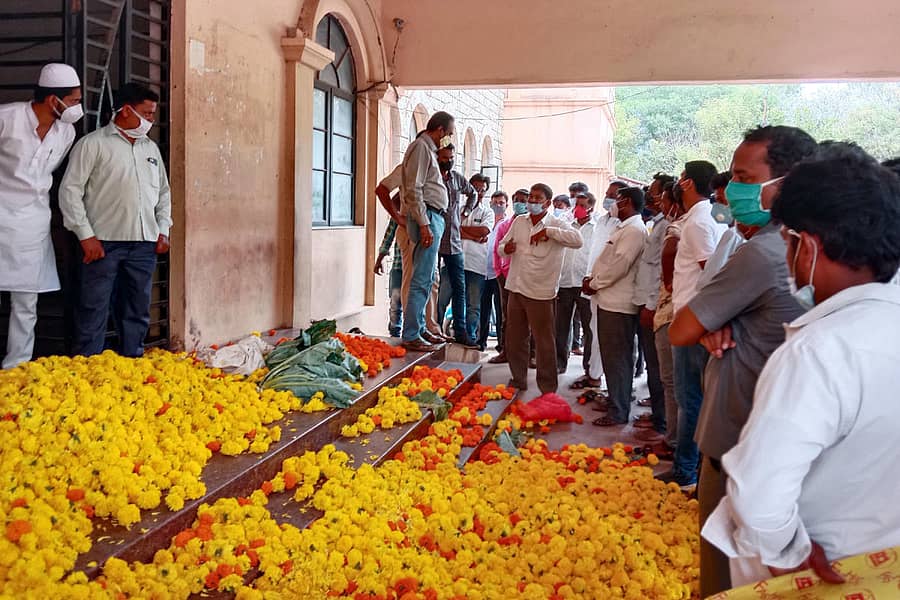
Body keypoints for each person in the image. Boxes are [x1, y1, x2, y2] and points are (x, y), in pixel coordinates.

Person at [703, 143, 900, 588]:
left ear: (807, 247)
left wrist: (789, 553)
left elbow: (759, 495)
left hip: (821, 569)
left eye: (789, 242)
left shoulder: (819, 351)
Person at [668, 126, 817, 597]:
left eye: (742, 176)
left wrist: (710, 319)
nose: (731, 189)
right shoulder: (804, 250)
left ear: (785, 184)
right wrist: (718, 318)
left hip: (737, 442)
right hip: (781, 446)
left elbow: (682, 329)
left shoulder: (770, 250)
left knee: (725, 578)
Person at [59, 82, 171, 357]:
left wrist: (163, 229)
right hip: (102, 243)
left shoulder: (151, 149)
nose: (150, 121)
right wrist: (85, 235)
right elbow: (70, 191)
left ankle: (131, 359)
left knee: (137, 307)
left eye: (152, 114)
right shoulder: (92, 145)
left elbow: (164, 193)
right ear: (125, 111)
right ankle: (88, 364)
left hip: (144, 244)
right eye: (146, 114)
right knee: (93, 306)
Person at [0, 63, 82, 369]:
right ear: (53, 100)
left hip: (33, 223)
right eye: (73, 101)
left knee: (26, 301)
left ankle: (15, 365)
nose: (77, 108)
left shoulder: (67, 132)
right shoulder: (7, 117)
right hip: (0, 215)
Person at [656, 160, 726, 490]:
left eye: (681, 178)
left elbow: (711, 271)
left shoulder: (699, 221)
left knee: (690, 400)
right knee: (695, 397)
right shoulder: (715, 214)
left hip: (693, 318)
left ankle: (686, 470)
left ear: (686, 184)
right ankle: (692, 468)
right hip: (700, 317)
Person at [499, 183, 582, 393]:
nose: (533, 201)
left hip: (540, 292)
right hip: (516, 287)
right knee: (515, 338)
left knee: (544, 342)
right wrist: (505, 249)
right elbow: (502, 246)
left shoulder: (557, 223)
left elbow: (577, 240)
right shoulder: (519, 221)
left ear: (547, 202)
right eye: (531, 198)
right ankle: (518, 379)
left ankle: (547, 387)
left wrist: (549, 232)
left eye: (538, 198)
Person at [583, 187, 648, 426]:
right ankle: (616, 400)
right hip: (609, 299)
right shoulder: (624, 227)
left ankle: (619, 410)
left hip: (618, 303)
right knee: (613, 358)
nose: (612, 203)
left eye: (617, 199)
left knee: (618, 358)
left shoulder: (633, 230)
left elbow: (620, 264)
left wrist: (595, 283)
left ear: (626, 202)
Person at [399, 111, 454, 352]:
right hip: (428, 216)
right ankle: (411, 333)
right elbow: (413, 189)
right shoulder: (421, 148)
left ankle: (419, 328)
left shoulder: (429, 150)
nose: (449, 138)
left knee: (428, 277)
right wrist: (424, 224)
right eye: (449, 133)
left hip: (434, 216)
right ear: (440, 130)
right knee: (421, 278)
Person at [375, 161, 445, 344]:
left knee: (429, 280)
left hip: (427, 229)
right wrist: (399, 218)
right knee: (412, 281)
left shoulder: (430, 171)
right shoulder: (407, 169)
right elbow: (383, 191)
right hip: (413, 230)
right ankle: (412, 332)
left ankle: (425, 327)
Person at [632, 173, 671, 436]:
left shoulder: (668, 226)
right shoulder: (657, 223)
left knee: (659, 368)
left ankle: (662, 422)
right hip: (646, 299)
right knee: (655, 365)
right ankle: (659, 414)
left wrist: (650, 305)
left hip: (654, 304)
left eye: (656, 192)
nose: (650, 197)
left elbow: (660, 271)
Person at [580, 181, 627, 388]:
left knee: (611, 339)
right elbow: (595, 252)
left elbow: (617, 262)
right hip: (593, 283)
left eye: (613, 195)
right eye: (607, 194)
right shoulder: (602, 221)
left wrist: (597, 282)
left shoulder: (624, 225)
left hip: (610, 288)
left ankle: (610, 383)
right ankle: (593, 373)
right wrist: (589, 277)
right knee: (594, 331)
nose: (608, 199)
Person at [436, 144, 478, 347]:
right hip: (433, 240)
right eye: (445, 157)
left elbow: (473, 194)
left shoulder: (457, 177)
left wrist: (466, 212)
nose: (449, 160)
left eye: (451, 157)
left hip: (453, 241)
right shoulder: (431, 176)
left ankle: (461, 332)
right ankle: (432, 327)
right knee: (432, 287)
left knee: (459, 288)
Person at [557, 191, 596, 378]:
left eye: (583, 205)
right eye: (576, 204)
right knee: (561, 325)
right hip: (565, 281)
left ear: (591, 207)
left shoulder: (597, 228)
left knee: (588, 326)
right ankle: (559, 362)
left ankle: (589, 366)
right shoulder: (567, 225)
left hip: (585, 282)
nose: (578, 208)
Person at [487, 189, 529, 364]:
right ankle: (505, 351)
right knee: (507, 316)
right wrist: (498, 272)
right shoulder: (505, 225)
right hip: (505, 276)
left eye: (524, 200)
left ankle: (530, 354)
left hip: (527, 277)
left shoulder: (533, 225)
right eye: (517, 200)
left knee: (528, 316)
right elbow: (498, 249)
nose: (520, 203)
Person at [459, 173, 495, 344]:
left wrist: (462, 231)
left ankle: (471, 337)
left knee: (474, 304)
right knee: (445, 299)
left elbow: (484, 231)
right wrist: (473, 236)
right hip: (455, 261)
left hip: (476, 264)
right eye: (475, 188)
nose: (478, 192)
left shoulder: (488, 212)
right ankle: (452, 335)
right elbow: (451, 229)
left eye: (482, 190)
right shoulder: (457, 208)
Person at [696, 170, 744, 290]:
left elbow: (708, 280)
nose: (718, 207)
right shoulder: (731, 231)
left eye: (722, 201)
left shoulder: (733, 235)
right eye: (716, 201)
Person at [478, 191, 508, 351]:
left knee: (500, 309)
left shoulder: (508, 224)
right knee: (482, 308)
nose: (497, 205)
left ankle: (501, 345)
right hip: (482, 271)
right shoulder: (486, 220)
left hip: (499, 274)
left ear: (506, 205)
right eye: (494, 202)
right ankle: (480, 341)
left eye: (501, 203)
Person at [374, 219, 404, 337]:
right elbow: (388, 238)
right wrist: (379, 260)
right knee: (395, 302)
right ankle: (395, 333)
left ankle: (412, 335)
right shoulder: (397, 214)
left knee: (414, 304)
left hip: (417, 269)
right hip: (398, 265)